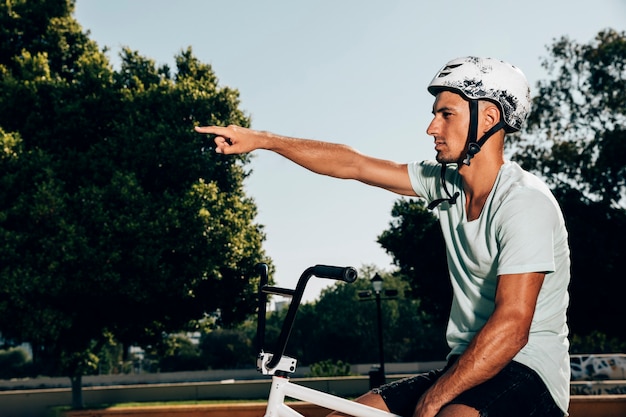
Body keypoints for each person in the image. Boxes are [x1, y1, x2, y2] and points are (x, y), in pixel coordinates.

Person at [195, 56, 571, 417]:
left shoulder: (524, 203)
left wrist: (434, 398)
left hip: (528, 372)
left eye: (446, 114)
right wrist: (263, 140)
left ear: (488, 118)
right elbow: (354, 163)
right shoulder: (445, 183)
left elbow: (512, 326)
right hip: (466, 364)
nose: (432, 128)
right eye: (434, 115)